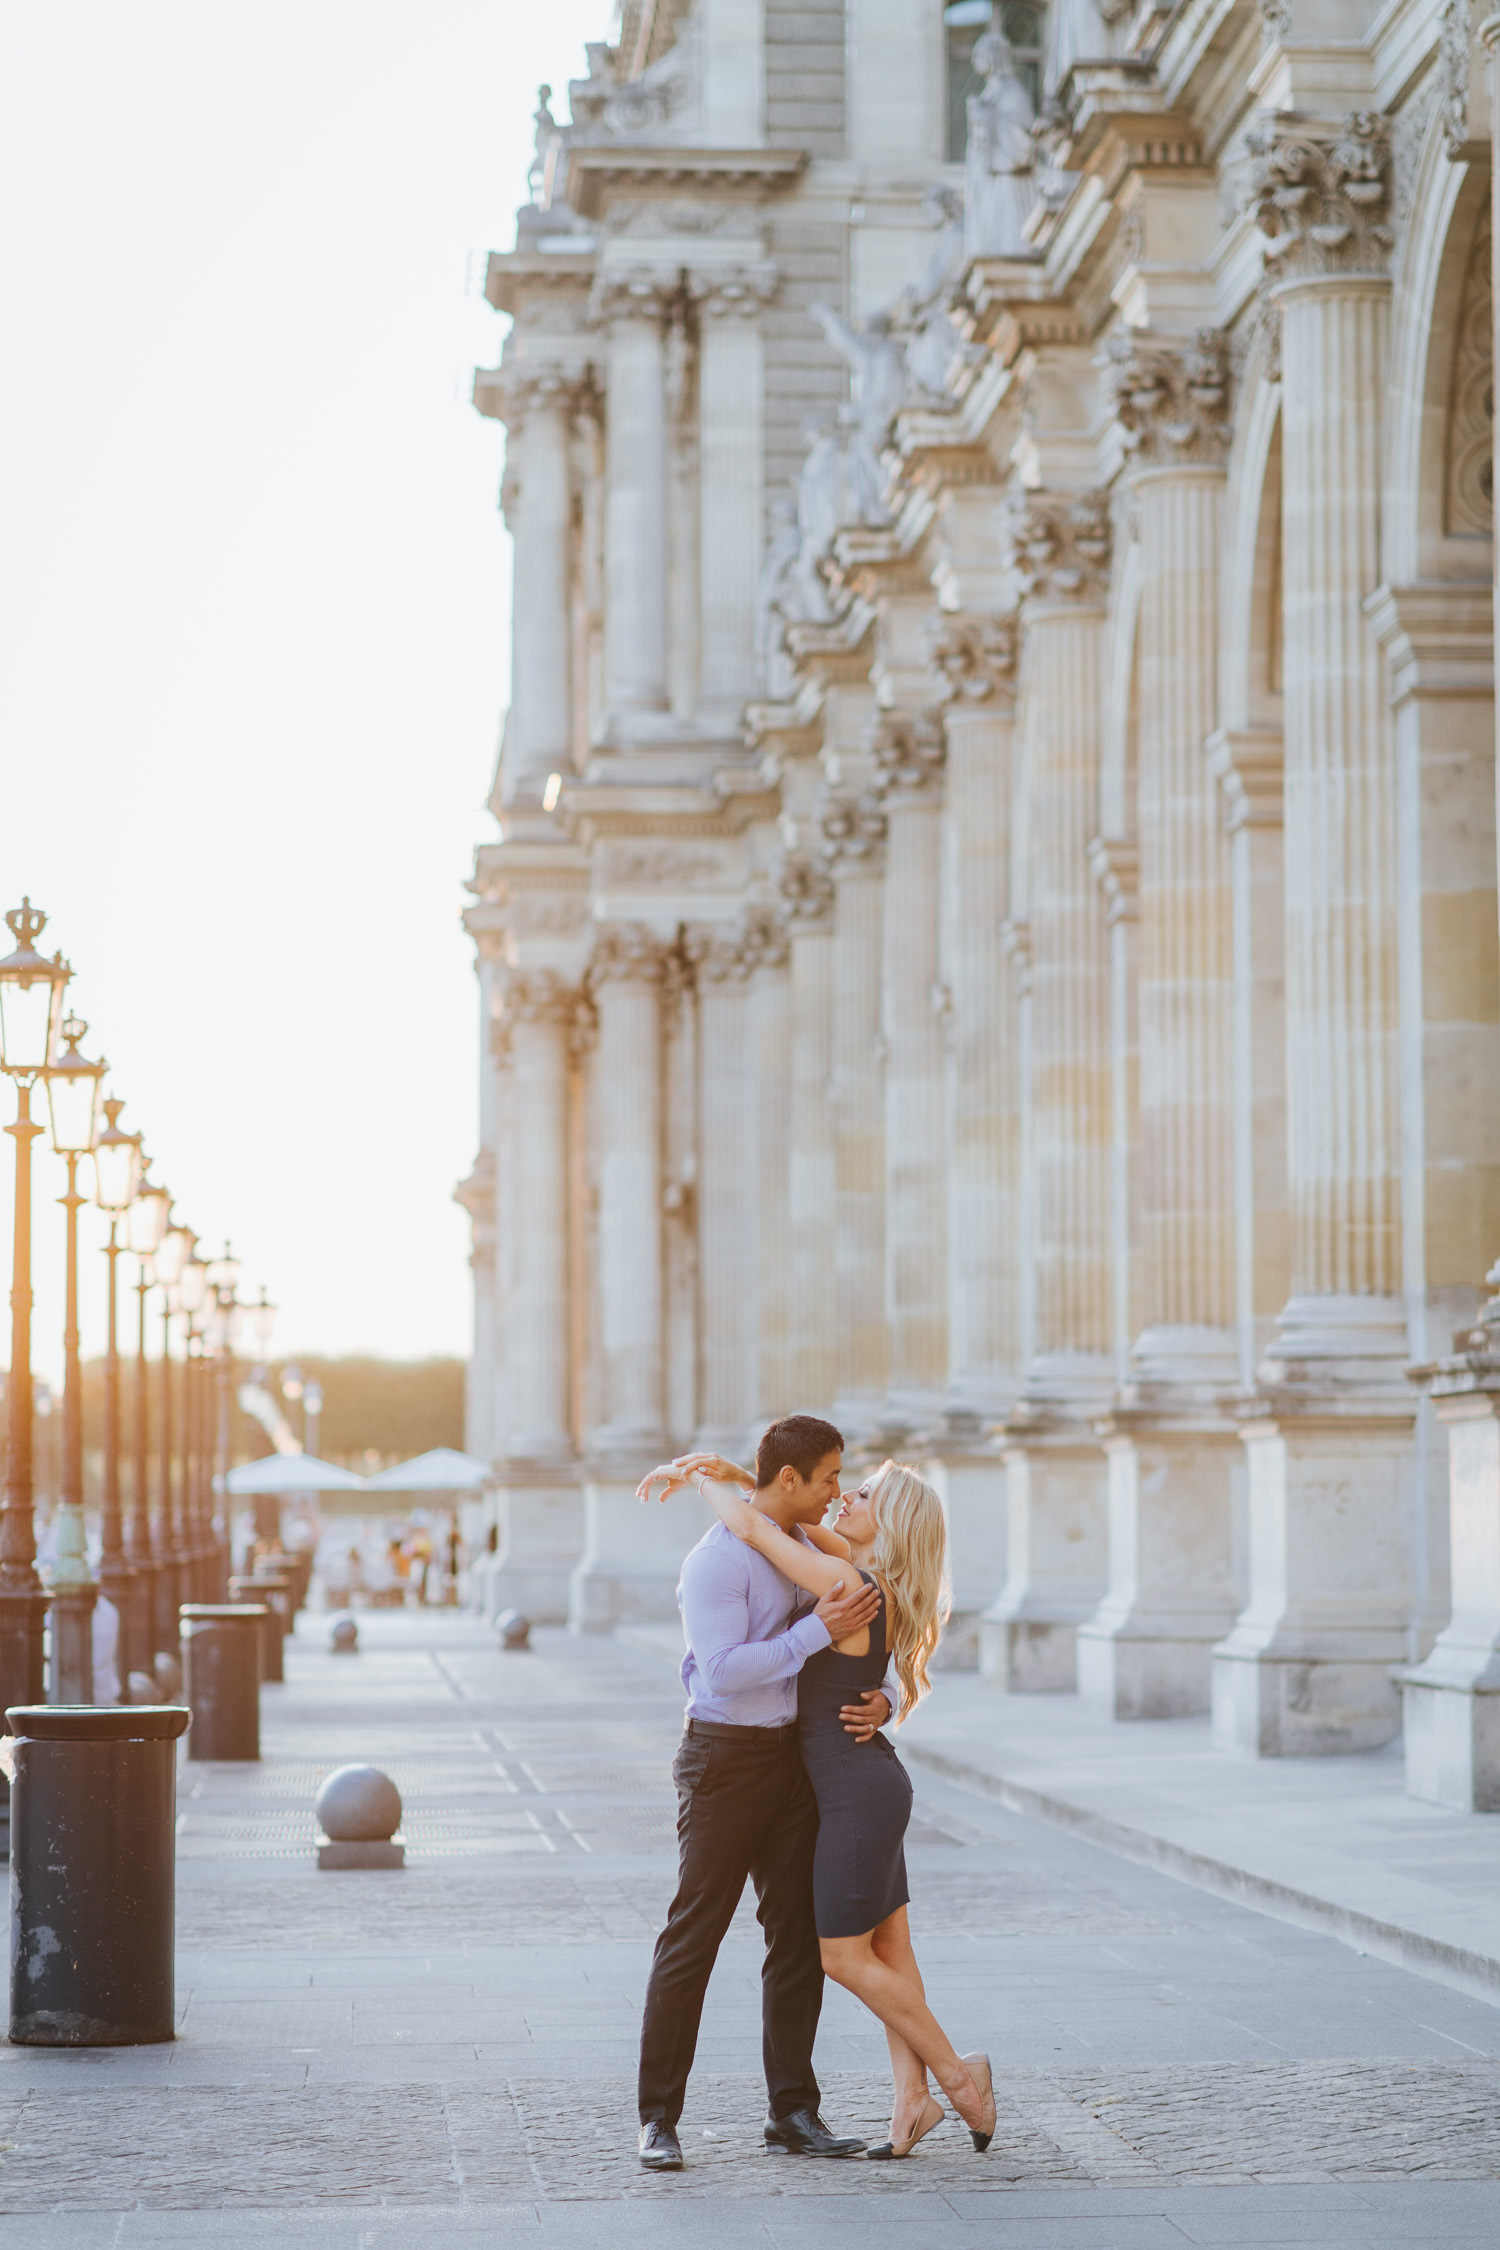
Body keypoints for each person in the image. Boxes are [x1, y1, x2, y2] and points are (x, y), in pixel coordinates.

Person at [641, 1443, 997, 2165]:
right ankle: (910, 2099)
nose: (841, 1495)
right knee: (856, 1947)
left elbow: (759, 1528)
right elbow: (767, 1530)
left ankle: (892, 2094)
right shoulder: (828, 1557)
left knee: (822, 1950)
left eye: (856, 1490)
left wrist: (705, 1479)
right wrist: (729, 1476)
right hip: (752, 1764)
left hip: (832, 1782)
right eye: (835, 1481)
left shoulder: (842, 1571)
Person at [632, 1414, 890, 2172]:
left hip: (790, 1762)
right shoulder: (715, 1564)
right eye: (830, 1477)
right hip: (723, 1762)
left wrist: (888, 1702)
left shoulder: (807, 1547)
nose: (838, 1491)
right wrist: (817, 1633)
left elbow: (879, 1629)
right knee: (694, 1936)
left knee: (798, 1937)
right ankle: (657, 2119)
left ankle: (793, 2114)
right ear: (791, 1480)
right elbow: (725, 1672)